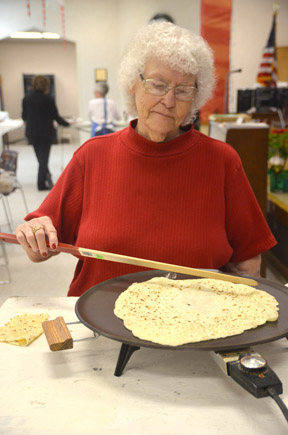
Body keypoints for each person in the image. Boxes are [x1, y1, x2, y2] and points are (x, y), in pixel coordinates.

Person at [15, 21, 276, 297]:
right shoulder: (92, 156)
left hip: (194, 329)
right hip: (99, 325)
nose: (169, 100)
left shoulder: (222, 161)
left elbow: (248, 262)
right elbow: (41, 240)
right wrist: (36, 234)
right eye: (158, 85)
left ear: (196, 98)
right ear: (133, 83)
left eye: (183, 90)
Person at [22, 75, 70, 191]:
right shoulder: (48, 99)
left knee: (40, 158)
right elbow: (56, 117)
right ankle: (41, 184)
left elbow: (24, 116)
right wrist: (67, 124)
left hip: (32, 133)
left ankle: (46, 179)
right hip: (45, 133)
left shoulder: (26, 98)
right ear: (46, 86)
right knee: (43, 160)